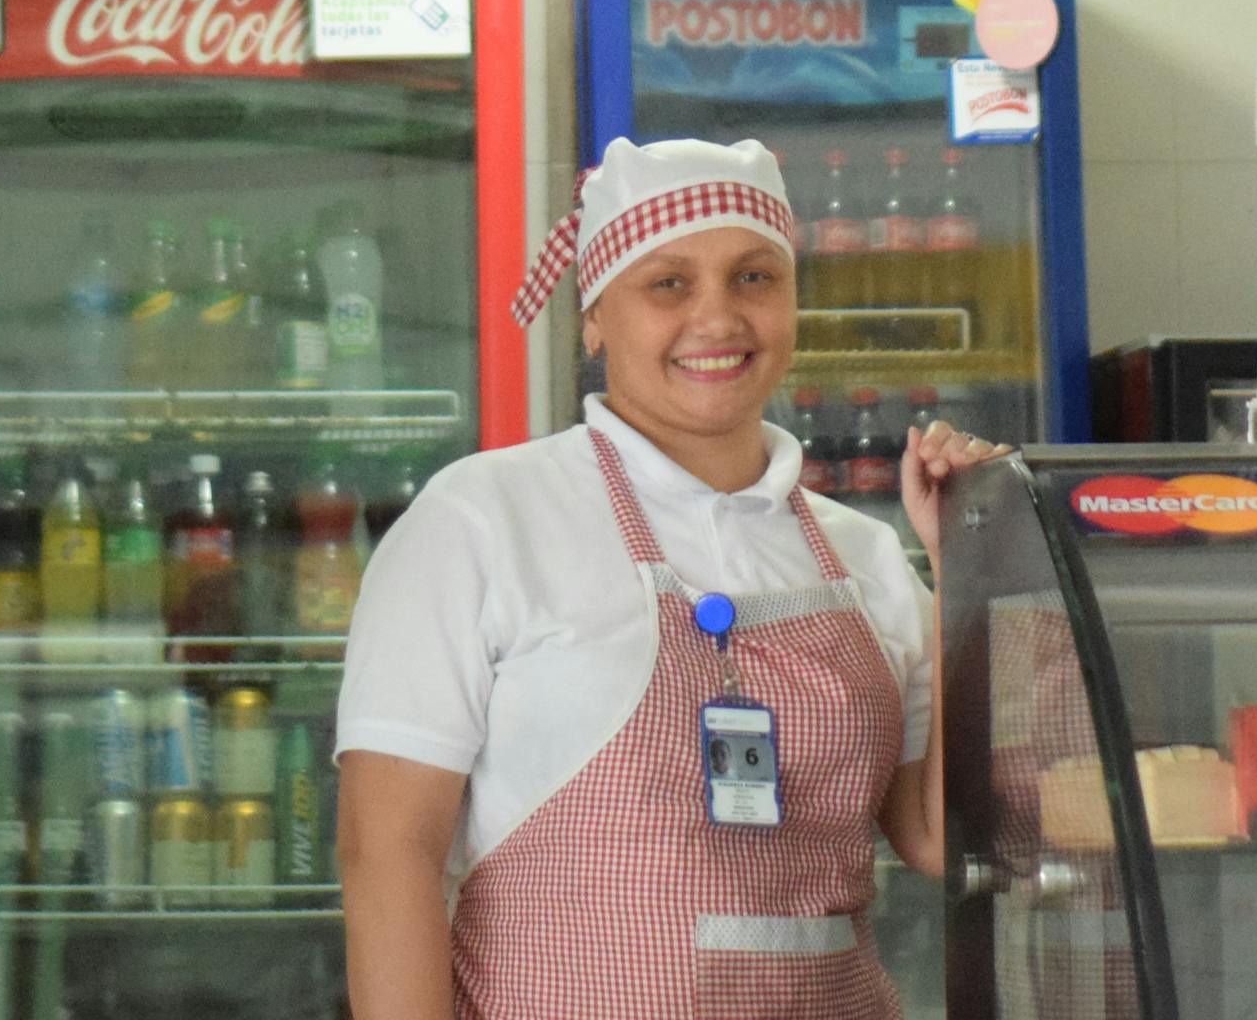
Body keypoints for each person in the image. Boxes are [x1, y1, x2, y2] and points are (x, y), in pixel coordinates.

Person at [334, 137, 1009, 1020]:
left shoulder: (866, 555)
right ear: (595, 317)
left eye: (754, 277)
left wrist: (970, 567)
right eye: (668, 284)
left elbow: (934, 834)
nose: (718, 319)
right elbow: (386, 852)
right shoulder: (485, 520)